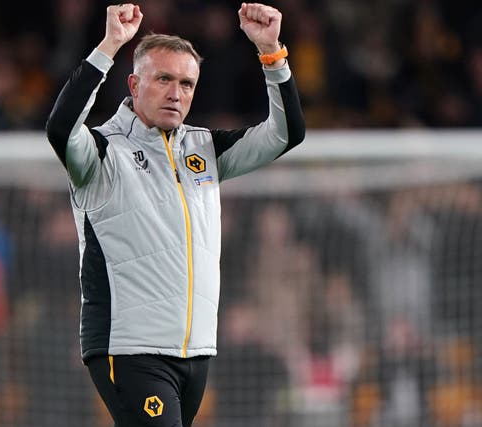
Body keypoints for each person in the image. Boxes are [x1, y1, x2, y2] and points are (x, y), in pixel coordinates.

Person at [45, 3, 305, 426]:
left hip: (195, 351)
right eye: (164, 78)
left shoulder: (205, 149)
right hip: (129, 348)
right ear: (133, 83)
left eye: (186, 83)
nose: (175, 92)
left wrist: (272, 53)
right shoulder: (102, 152)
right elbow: (60, 128)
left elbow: (286, 132)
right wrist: (109, 46)